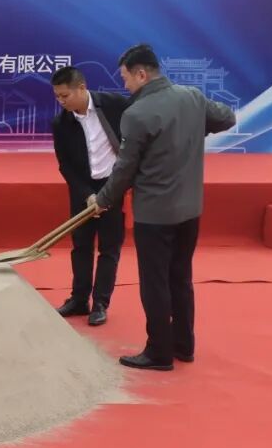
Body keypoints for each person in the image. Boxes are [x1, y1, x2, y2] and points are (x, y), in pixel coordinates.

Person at [90, 44, 235, 371]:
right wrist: (195, 127)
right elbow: (227, 117)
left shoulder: (137, 113)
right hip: (190, 210)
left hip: (155, 215)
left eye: (126, 78)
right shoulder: (192, 97)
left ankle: (159, 352)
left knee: (155, 282)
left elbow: (124, 170)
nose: (125, 84)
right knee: (180, 278)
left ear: (141, 74)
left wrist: (102, 200)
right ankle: (184, 345)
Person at [50, 66, 129, 326]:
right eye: (57, 97)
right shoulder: (61, 123)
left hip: (112, 186)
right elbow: (65, 166)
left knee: (109, 248)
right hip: (82, 190)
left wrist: (117, 186)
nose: (61, 101)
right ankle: (79, 299)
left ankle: (100, 303)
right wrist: (87, 195)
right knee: (81, 246)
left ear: (82, 88)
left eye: (65, 96)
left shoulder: (115, 105)